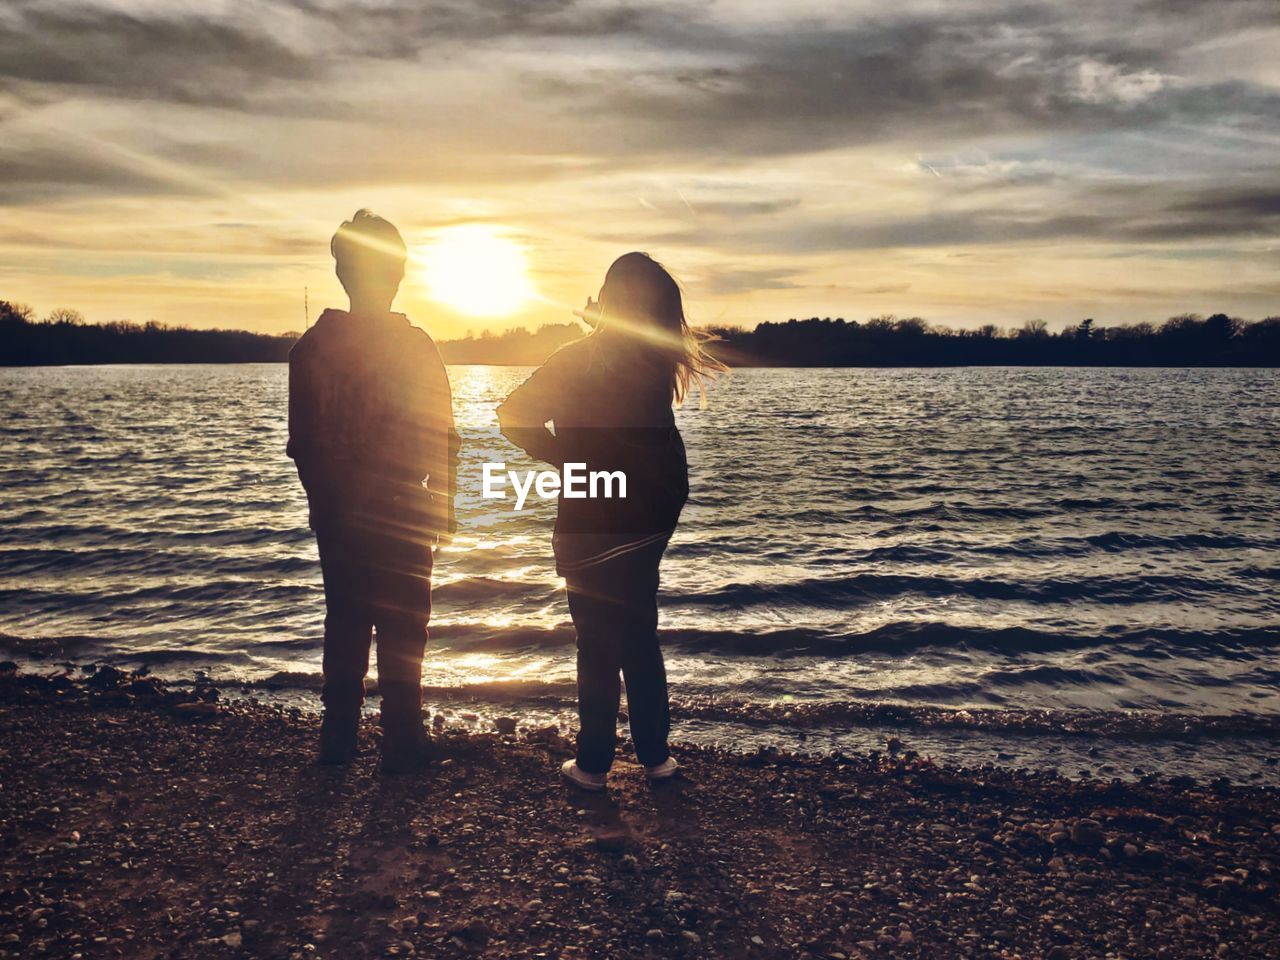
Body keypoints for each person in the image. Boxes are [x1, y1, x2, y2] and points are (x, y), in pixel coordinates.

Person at [497, 252, 723, 790]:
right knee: (638, 629)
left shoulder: (580, 359)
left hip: (596, 509)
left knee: (597, 637)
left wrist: (566, 460)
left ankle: (594, 762)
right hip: (652, 512)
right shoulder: (655, 362)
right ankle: (656, 757)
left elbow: (512, 415)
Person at [287, 210, 459, 774]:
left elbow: (303, 446)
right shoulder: (415, 346)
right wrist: (448, 506)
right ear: (398, 274)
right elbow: (446, 438)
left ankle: (339, 743)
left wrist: (325, 504)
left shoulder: (311, 348)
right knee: (406, 628)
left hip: (343, 516)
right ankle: (401, 745)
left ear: (342, 273)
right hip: (402, 509)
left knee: (347, 622)